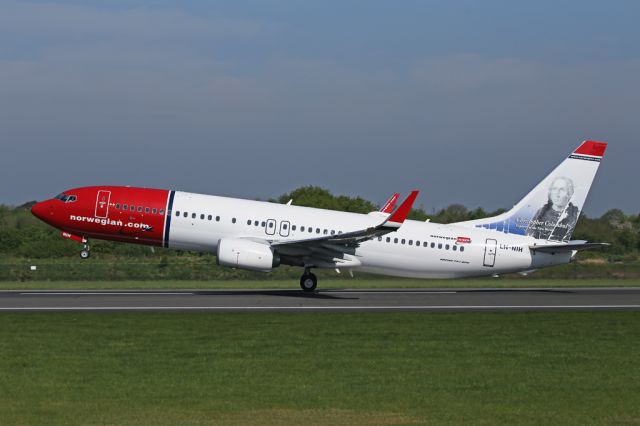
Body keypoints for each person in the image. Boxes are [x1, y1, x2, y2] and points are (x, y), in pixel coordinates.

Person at [526, 177, 579, 241]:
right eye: (554, 189)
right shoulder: (541, 212)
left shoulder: (573, 217)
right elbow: (529, 233)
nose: (557, 194)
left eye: (562, 190)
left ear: (569, 194)